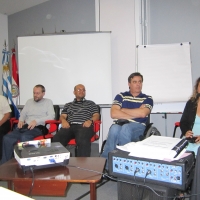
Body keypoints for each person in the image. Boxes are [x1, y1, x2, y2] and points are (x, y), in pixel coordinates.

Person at [101, 72, 153, 169]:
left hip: (138, 126)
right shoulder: (121, 96)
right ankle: (105, 165)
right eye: (135, 82)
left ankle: (124, 166)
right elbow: (113, 114)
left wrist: (123, 110)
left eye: (140, 82)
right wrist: (136, 112)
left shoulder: (147, 98)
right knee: (114, 129)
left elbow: (143, 114)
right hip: (120, 124)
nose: (138, 84)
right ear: (129, 84)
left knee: (126, 128)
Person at [0, 84, 55, 164]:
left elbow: (51, 116)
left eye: (38, 93)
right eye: (34, 93)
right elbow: (23, 114)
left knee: (25, 137)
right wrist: (21, 120)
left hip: (39, 127)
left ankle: (26, 163)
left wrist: (37, 121)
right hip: (26, 127)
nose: (35, 95)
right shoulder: (29, 101)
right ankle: (4, 165)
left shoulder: (48, 102)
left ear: (43, 93)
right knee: (7, 138)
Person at [53, 84, 100, 157]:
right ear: (74, 92)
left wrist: (90, 121)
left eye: (83, 90)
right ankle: (58, 163)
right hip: (70, 126)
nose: (81, 91)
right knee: (56, 139)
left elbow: (96, 115)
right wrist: (64, 121)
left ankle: (82, 165)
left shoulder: (91, 103)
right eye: (79, 90)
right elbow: (62, 116)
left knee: (82, 140)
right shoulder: (68, 105)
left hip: (84, 126)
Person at [180, 77, 200, 155]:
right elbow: (183, 122)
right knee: (181, 150)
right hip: (191, 138)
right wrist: (186, 132)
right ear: (197, 89)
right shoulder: (191, 103)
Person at [0, 95, 12, 159]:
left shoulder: (2, 98)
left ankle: (1, 158)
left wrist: (0, 123)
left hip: (3, 122)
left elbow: (7, 114)